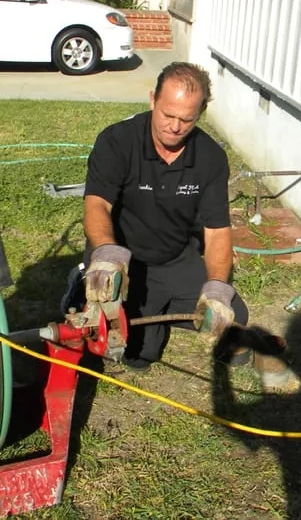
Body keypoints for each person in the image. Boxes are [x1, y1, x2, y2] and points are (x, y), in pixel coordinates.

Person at [81, 62, 250, 371]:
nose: (174, 127)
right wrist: (106, 252)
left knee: (233, 318)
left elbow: (216, 232)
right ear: (152, 100)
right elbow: (97, 205)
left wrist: (215, 288)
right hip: (124, 258)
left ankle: (162, 305)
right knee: (137, 353)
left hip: (174, 257)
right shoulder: (118, 141)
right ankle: (80, 286)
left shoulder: (211, 157)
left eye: (186, 119)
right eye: (167, 115)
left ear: (200, 114)